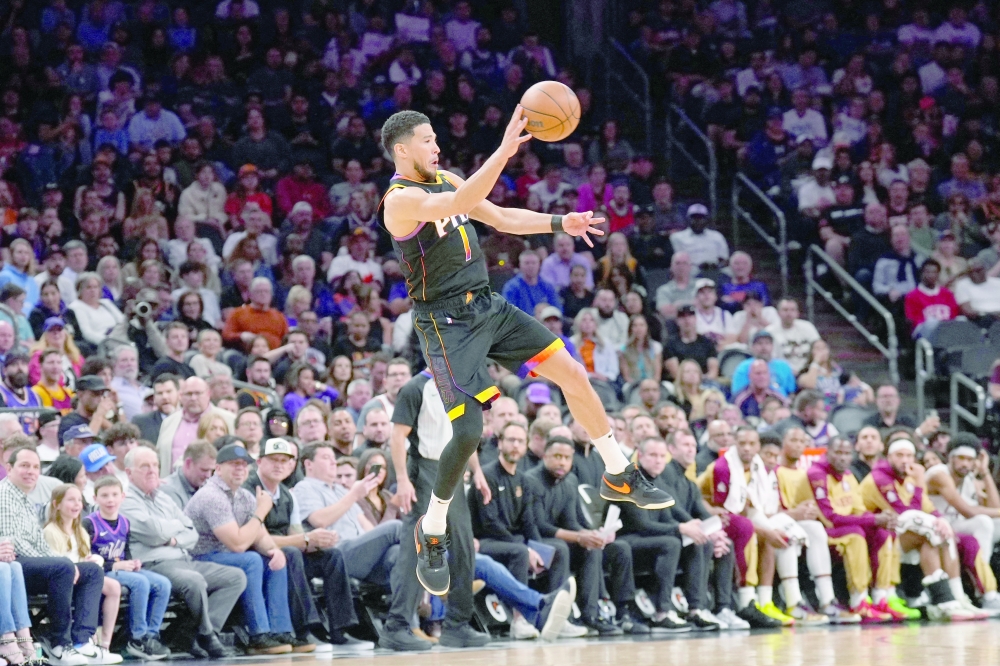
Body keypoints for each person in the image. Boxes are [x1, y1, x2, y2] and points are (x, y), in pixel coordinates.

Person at [379, 108, 671, 596]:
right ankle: (432, 528)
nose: (436, 147)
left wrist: (561, 221)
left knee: (573, 374)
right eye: (428, 141)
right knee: (470, 429)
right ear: (402, 150)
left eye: (435, 139)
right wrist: (505, 149)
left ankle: (618, 470)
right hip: (445, 323)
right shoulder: (400, 201)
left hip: (488, 305)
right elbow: (469, 196)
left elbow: (499, 215)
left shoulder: (446, 178)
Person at [243, 438, 372, 651]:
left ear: (291, 465)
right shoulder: (249, 491)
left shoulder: (286, 495)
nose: (279, 465)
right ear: (259, 462)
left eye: (284, 460)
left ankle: (342, 629)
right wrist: (304, 540)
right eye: (273, 459)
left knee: (331, 555)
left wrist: (316, 541)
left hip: (286, 554)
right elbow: (256, 540)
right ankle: (306, 630)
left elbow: (298, 534)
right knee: (292, 553)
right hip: (259, 555)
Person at [121, 446, 243, 659]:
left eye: (155, 465)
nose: (152, 470)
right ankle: (206, 635)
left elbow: (192, 532)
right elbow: (153, 532)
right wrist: (175, 526)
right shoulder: (125, 500)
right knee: (194, 581)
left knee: (235, 577)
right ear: (129, 472)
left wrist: (173, 537)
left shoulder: (163, 498)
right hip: (154, 564)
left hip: (184, 559)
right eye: (144, 466)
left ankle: (196, 634)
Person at [527, 434, 648, 635]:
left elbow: (571, 521)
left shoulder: (570, 481)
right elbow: (539, 526)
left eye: (566, 458)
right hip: (536, 542)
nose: (562, 462)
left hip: (561, 539)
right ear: (544, 456)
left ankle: (596, 615)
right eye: (556, 456)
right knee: (563, 548)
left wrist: (592, 534)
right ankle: (559, 616)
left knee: (602, 548)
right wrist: (579, 537)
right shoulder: (531, 480)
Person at [183, 443, 297, 655]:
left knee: (276, 560)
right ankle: (258, 634)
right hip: (197, 558)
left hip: (222, 557)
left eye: (244, 465)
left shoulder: (244, 496)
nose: (240, 469)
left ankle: (280, 630)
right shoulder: (211, 495)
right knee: (251, 560)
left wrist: (273, 550)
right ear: (218, 469)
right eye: (234, 465)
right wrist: (261, 511)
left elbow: (260, 534)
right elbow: (238, 544)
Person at [0, 447, 105, 666]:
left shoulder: (25, 499)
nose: (31, 471)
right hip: (13, 563)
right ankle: (60, 644)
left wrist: (65, 562)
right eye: (25, 466)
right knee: (62, 568)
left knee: (92, 571)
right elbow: (14, 541)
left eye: (36, 467)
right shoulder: (5, 495)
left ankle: (82, 641)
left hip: (29, 565)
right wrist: (62, 563)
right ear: (9, 468)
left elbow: (40, 543)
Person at [859, 438, 983, 620]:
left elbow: (928, 508)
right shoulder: (878, 478)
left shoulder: (907, 478)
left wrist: (942, 520)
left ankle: (956, 598)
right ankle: (944, 600)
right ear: (888, 457)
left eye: (909, 456)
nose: (905, 460)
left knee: (939, 534)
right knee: (930, 532)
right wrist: (919, 483)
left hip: (899, 534)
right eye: (899, 455)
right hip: (877, 536)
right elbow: (908, 514)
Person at [661, 429, 750, 629]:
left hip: (687, 531)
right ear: (672, 449)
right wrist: (706, 531)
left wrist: (716, 531)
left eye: (693, 446)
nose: (691, 450)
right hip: (670, 531)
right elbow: (672, 507)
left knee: (725, 544)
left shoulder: (689, 481)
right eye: (685, 445)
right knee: (702, 542)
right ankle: (696, 608)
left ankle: (723, 608)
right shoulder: (665, 473)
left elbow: (702, 511)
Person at [696, 428, 784, 628]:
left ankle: (765, 601)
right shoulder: (722, 468)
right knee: (748, 530)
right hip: (709, 517)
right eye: (742, 443)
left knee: (773, 538)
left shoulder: (756, 467)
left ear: (758, 446)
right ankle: (745, 598)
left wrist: (769, 529)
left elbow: (753, 506)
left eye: (752, 444)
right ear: (734, 443)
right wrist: (764, 531)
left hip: (735, 516)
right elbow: (723, 511)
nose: (747, 448)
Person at [83, 476, 173, 661]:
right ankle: (137, 638)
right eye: (105, 495)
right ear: (95, 498)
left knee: (163, 583)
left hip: (121, 570)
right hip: (102, 571)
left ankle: (151, 634)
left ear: (122, 497)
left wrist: (133, 563)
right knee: (140, 582)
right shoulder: (89, 523)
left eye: (115, 495)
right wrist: (114, 565)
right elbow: (86, 558)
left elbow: (126, 550)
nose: (110, 500)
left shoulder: (125, 522)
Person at [42, 482, 124, 664]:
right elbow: (54, 561)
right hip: (61, 578)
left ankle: (104, 645)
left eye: (79, 500)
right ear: (56, 504)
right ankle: (82, 640)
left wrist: (96, 560)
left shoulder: (80, 531)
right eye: (71, 500)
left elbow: (85, 556)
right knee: (93, 578)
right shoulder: (51, 531)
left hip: (81, 576)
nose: (77, 504)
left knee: (113, 587)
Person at [924, 434, 1000, 609]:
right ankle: (984, 587)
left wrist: (985, 472)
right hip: (934, 525)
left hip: (954, 525)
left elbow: (995, 508)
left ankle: (985, 579)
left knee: (993, 524)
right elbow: (968, 511)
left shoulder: (968, 478)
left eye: (970, 460)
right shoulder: (939, 474)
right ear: (950, 458)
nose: (965, 463)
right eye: (961, 458)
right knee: (983, 522)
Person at [156, 377, 234, 476]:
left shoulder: (228, 419)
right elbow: (159, 457)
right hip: (170, 486)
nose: (193, 398)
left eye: (198, 393)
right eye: (189, 394)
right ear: (180, 396)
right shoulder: (168, 422)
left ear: (208, 394)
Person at [161, 441, 217, 510]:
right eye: (204, 470)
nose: (208, 475)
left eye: (211, 470)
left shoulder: (207, 487)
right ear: (188, 463)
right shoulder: (169, 491)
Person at [131, 375, 180, 444]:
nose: (164, 397)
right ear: (154, 397)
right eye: (160, 393)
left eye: (169, 391)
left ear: (179, 394)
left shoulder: (191, 420)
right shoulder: (141, 422)